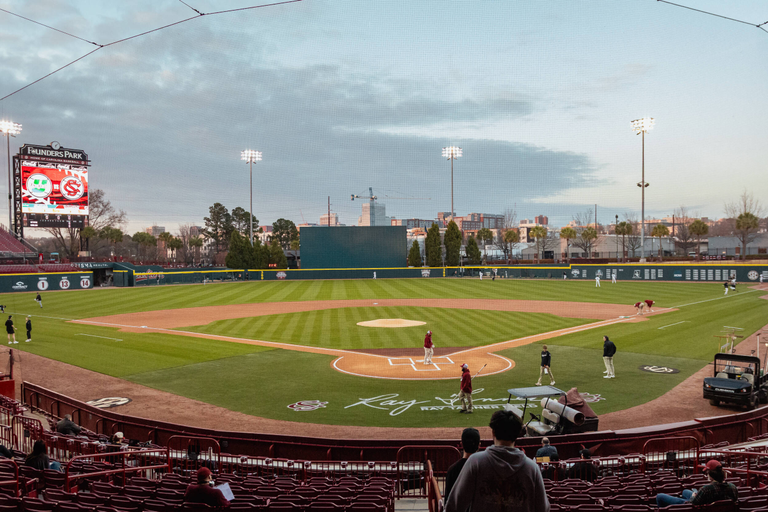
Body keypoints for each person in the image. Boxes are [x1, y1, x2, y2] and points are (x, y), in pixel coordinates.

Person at [444, 410, 549, 512]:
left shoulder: (475, 463)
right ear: (517, 434)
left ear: (493, 432)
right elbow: (543, 508)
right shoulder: (532, 468)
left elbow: (454, 506)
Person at [655, 459, 737, 507]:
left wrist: (693, 497)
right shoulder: (733, 487)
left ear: (710, 475)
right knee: (685, 491)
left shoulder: (706, 489)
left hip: (693, 506)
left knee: (659, 496)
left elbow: (692, 505)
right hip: (713, 505)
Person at [444, 428, 481, 500]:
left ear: (461, 444)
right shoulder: (485, 469)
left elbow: (448, 501)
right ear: (479, 445)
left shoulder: (452, 470)